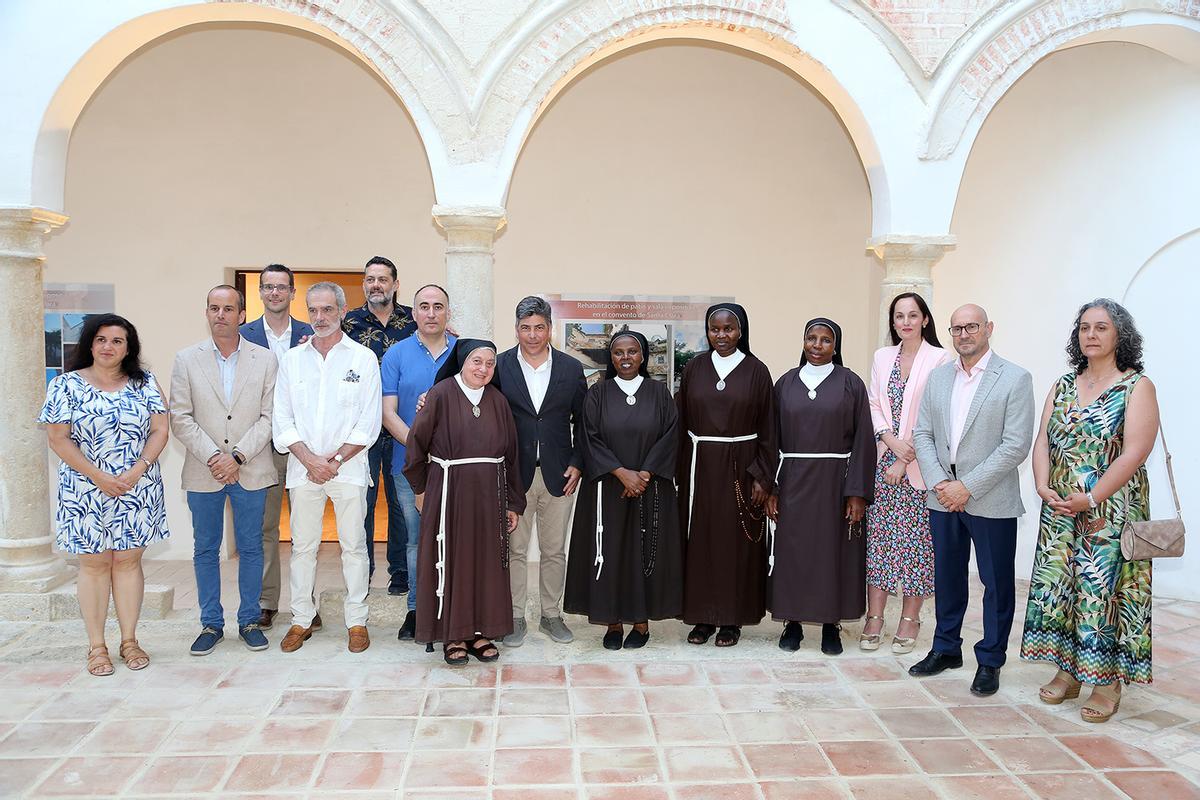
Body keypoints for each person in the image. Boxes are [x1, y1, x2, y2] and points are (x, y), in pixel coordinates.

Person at [1020, 299, 1159, 723]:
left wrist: (1093, 497)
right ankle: (1069, 670)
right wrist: (1043, 484)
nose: (1091, 335)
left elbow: (1135, 452)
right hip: (1061, 508)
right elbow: (1042, 439)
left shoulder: (1137, 386)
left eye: (1101, 327)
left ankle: (1106, 682)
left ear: (1120, 336)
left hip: (1110, 510)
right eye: (1084, 328)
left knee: (1103, 593)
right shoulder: (1063, 384)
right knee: (1062, 588)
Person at [910, 304, 1035, 696]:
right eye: (957, 328)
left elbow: (1015, 445)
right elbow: (923, 434)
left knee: (996, 583)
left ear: (989, 329)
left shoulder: (1014, 378)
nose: (964, 334)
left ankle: (991, 661)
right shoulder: (938, 377)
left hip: (991, 498)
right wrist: (940, 482)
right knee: (947, 577)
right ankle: (946, 648)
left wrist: (968, 486)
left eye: (972, 327)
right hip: (942, 496)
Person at [39, 314, 169, 676]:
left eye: (117, 341)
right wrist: (98, 476)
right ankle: (97, 646)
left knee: (128, 561)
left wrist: (136, 469)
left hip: (136, 485)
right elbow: (57, 437)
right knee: (94, 564)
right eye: (101, 340)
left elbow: (160, 429)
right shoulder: (65, 385)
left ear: (129, 348)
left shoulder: (145, 384)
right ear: (90, 344)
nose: (108, 347)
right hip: (85, 488)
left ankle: (130, 640)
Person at [273, 282, 382, 653]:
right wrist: (309, 460)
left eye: (327, 310)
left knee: (354, 546)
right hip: (303, 470)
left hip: (347, 470)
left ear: (342, 311)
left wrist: (332, 461)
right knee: (303, 547)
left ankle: (356, 621)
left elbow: (368, 424)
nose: (319, 318)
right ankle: (301, 618)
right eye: (313, 311)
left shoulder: (363, 359)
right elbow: (282, 420)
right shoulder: (292, 360)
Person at [402, 339, 525, 665]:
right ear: (462, 362)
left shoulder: (498, 401)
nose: (483, 369)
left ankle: (480, 631)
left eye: (490, 363)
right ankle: (453, 634)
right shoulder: (440, 394)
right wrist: (421, 488)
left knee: (485, 562)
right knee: (453, 560)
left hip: (491, 494)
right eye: (477, 361)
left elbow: (511, 455)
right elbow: (416, 444)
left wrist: (514, 502)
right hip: (449, 492)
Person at [171, 285, 278, 655]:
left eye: (228, 308)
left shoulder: (265, 359)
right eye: (214, 308)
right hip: (205, 471)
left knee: (251, 548)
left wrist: (238, 457)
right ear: (207, 313)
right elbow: (180, 417)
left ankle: (249, 619)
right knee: (206, 549)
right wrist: (216, 457)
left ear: (241, 314)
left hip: (251, 469)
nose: (221, 315)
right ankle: (210, 623)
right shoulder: (186, 359)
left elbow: (270, 417)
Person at [564, 331, 682, 649]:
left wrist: (643, 474)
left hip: (649, 487)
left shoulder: (659, 393)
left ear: (642, 356)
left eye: (632, 352)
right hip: (607, 488)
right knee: (611, 552)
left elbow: (671, 435)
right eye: (618, 353)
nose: (625, 358)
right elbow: (588, 437)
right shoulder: (597, 393)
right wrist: (620, 473)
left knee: (641, 554)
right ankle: (613, 621)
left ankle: (641, 623)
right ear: (611, 358)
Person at [766, 318, 875, 656]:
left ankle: (832, 625)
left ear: (835, 346)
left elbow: (863, 442)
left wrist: (856, 492)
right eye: (810, 338)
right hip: (793, 479)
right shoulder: (785, 383)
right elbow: (771, 438)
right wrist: (771, 487)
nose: (816, 345)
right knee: (794, 553)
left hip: (835, 482)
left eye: (825, 340)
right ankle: (792, 623)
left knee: (832, 554)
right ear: (803, 342)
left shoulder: (850, 384)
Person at [677, 303, 777, 647]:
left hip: (742, 465)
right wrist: (677, 471)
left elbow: (769, 429)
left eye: (729, 329)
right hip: (700, 465)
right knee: (701, 541)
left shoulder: (756, 371)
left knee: (737, 544)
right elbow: (681, 421)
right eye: (714, 329)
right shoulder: (694, 368)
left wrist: (764, 478)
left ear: (741, 331)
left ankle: (732, 619)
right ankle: (703, 617)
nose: (721, 335)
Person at [492, 297, 587, 647]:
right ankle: (514, 616)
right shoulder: (499, 366)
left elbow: (584, 421)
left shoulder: (570, 368)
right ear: (516, 329)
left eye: (539, 327)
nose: (532, 335)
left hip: (559, 475)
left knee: (553, 550)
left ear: (550, 328)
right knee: (514, 550)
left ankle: (551, 615)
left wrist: (577, 462)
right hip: (513, 476)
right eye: (525, 328)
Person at [862, 293, 952, 654]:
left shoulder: (940, 358)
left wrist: (906, 456)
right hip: (883, 459)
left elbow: (935, 412)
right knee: (880, 542)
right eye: (899, 316)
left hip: (920, 466)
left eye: (913, 315)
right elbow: (872, 402)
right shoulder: (882, 357)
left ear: (925, 320)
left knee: (916, 546)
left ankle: (910, 620)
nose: (906, 322)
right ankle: (875, 618)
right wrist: (888, 440)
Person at [239, 264, 314, 630]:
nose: (274, 293)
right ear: (261, 292)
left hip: (303, 444)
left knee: (306, 528)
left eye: (281, 287)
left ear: (292, 292)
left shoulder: (312, 332)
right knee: (266, 527)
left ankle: (306, 604)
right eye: (268, 287)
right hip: (261, 445)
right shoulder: (244, 335)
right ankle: (267, 601)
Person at [380, 284, 456, 640]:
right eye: (423, 306)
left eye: (438, 306)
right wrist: (419, 447)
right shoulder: (395, 355)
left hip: (459, 468)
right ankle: (416, 608)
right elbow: (387, 413)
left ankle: (454, 606)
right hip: (409, 466)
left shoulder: (464, 352)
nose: (431, 313)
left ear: (447, 313)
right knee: (416, 540)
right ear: (413, 314)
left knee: (455, 537)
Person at [342, 255, 415, 593]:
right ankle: (364, 571)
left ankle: (400, 572)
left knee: (402, 503)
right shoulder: (348, 324)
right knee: (364, 503)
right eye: (370, 279)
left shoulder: (415, 322)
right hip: (361, 431)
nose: (376, 285)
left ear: (395, 284)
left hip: (402, 429)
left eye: (382, 279)